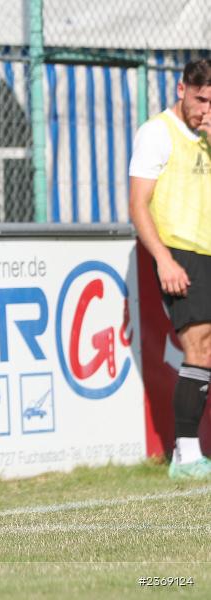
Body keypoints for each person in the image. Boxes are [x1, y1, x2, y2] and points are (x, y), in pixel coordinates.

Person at [129, 58, 211, 480]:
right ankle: (186, 454)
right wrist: (164, 259)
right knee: (199, 346)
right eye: (200, 100)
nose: (205, 110)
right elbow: (137, 204)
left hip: (208, 250)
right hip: (181, 253)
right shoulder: (156, 133)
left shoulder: (208, 136)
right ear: (182, 90)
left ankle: (190, 451)